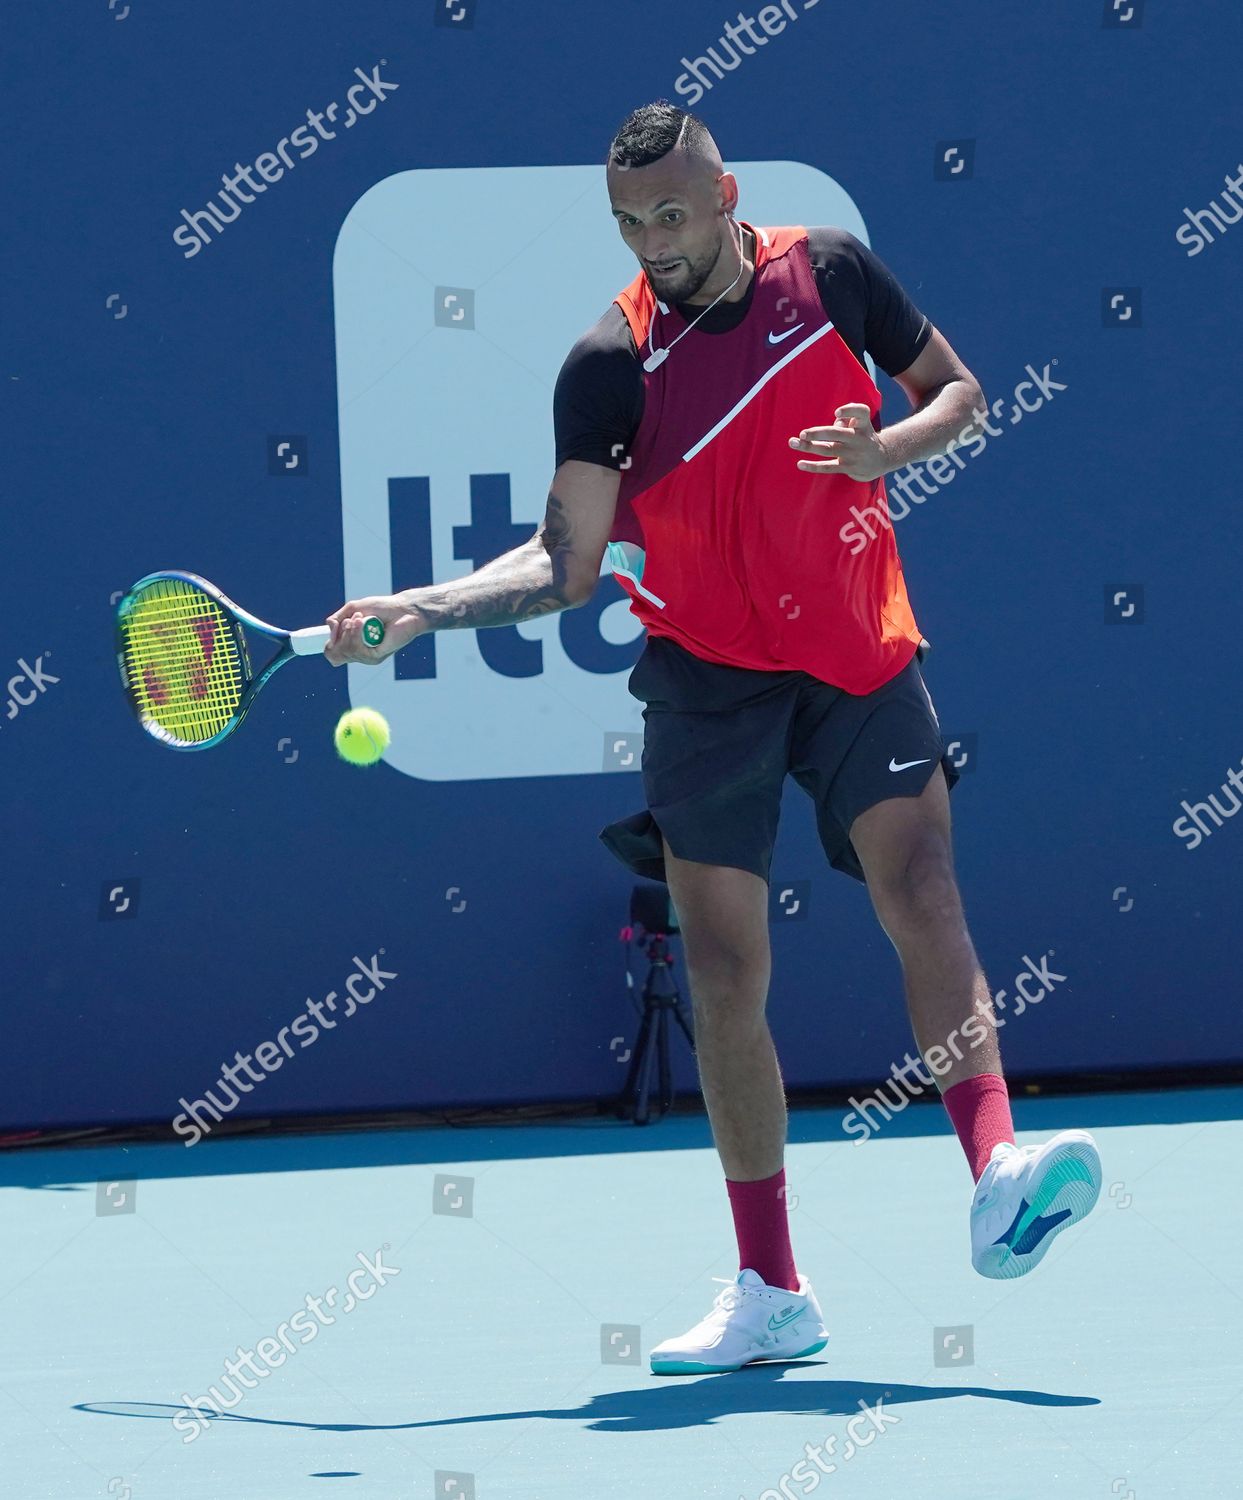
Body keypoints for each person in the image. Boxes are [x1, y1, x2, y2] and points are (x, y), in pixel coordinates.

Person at [325, 100, 1102, 1377]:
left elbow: (957, 392)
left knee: (922, 888)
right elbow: (566, 563)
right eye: (630, 223)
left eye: (672, 214)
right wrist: (421, 609)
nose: (653, 241)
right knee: (727, 972)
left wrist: (881, 449)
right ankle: (770, 1286)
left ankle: (995, 1166)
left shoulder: (834, 273)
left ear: (727, 193)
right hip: (709, 679)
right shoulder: (608, 367)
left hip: (857, 648)